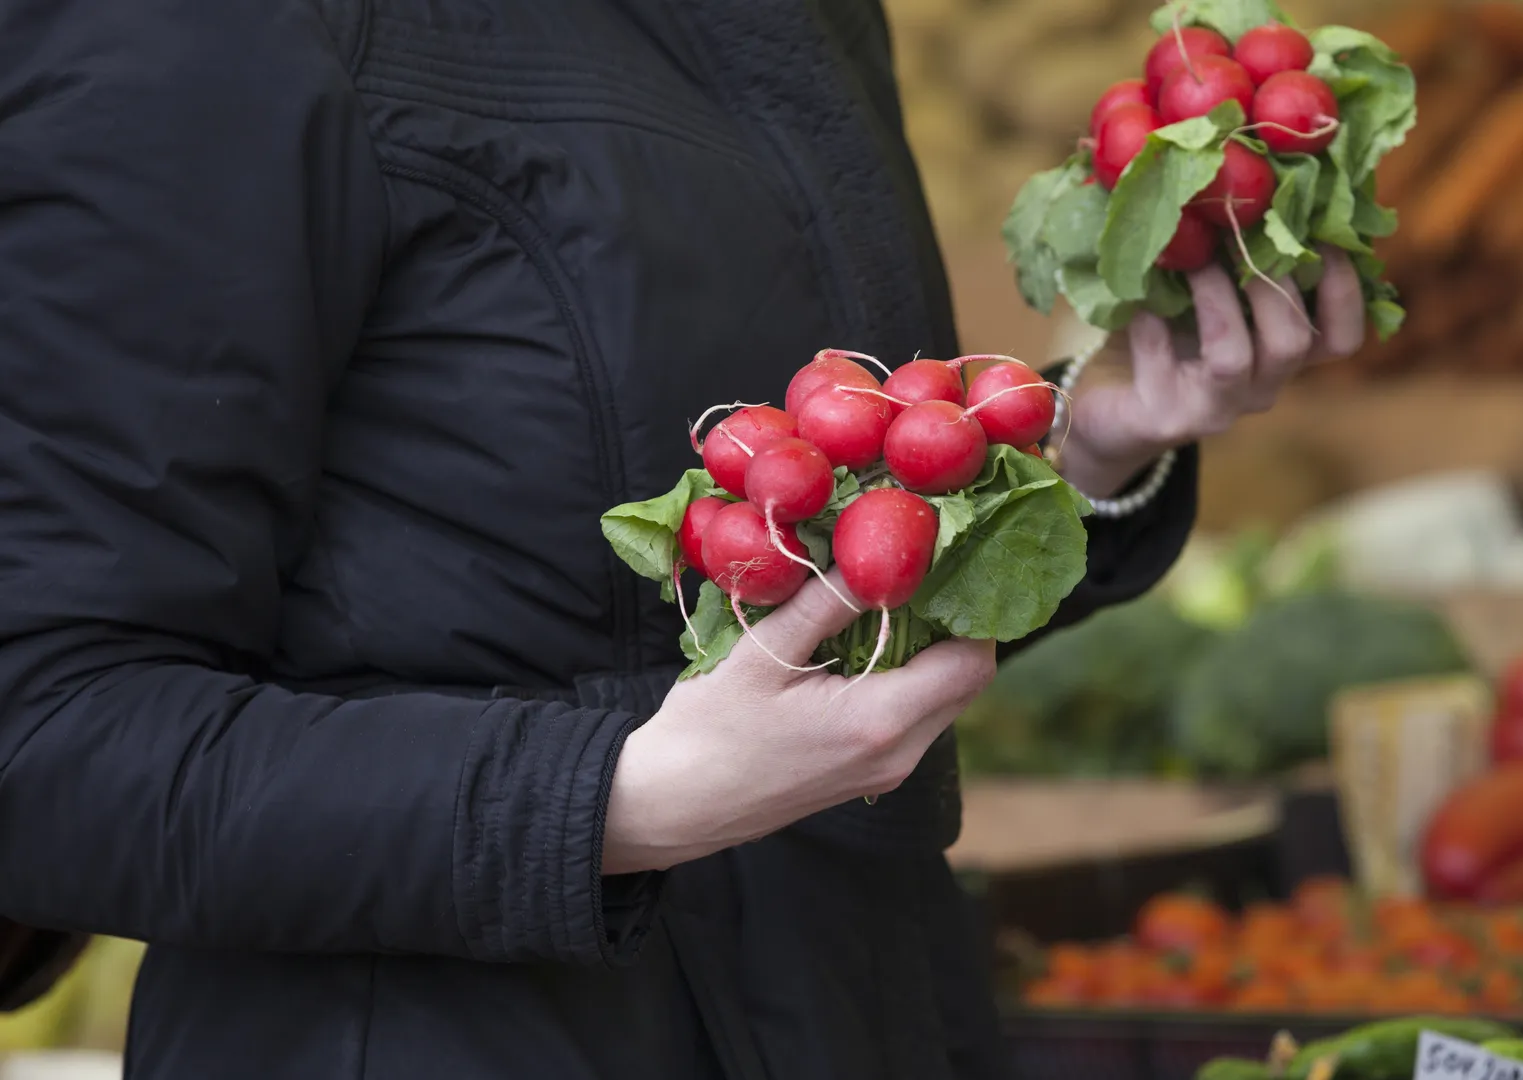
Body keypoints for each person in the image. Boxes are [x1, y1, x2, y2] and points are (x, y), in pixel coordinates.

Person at [0, 1, 1364, 1078]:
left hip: (859, 1010)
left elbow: (786, 561)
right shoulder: (192, 29)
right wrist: (615, 800)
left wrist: (1085, 442)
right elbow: (43, 737)